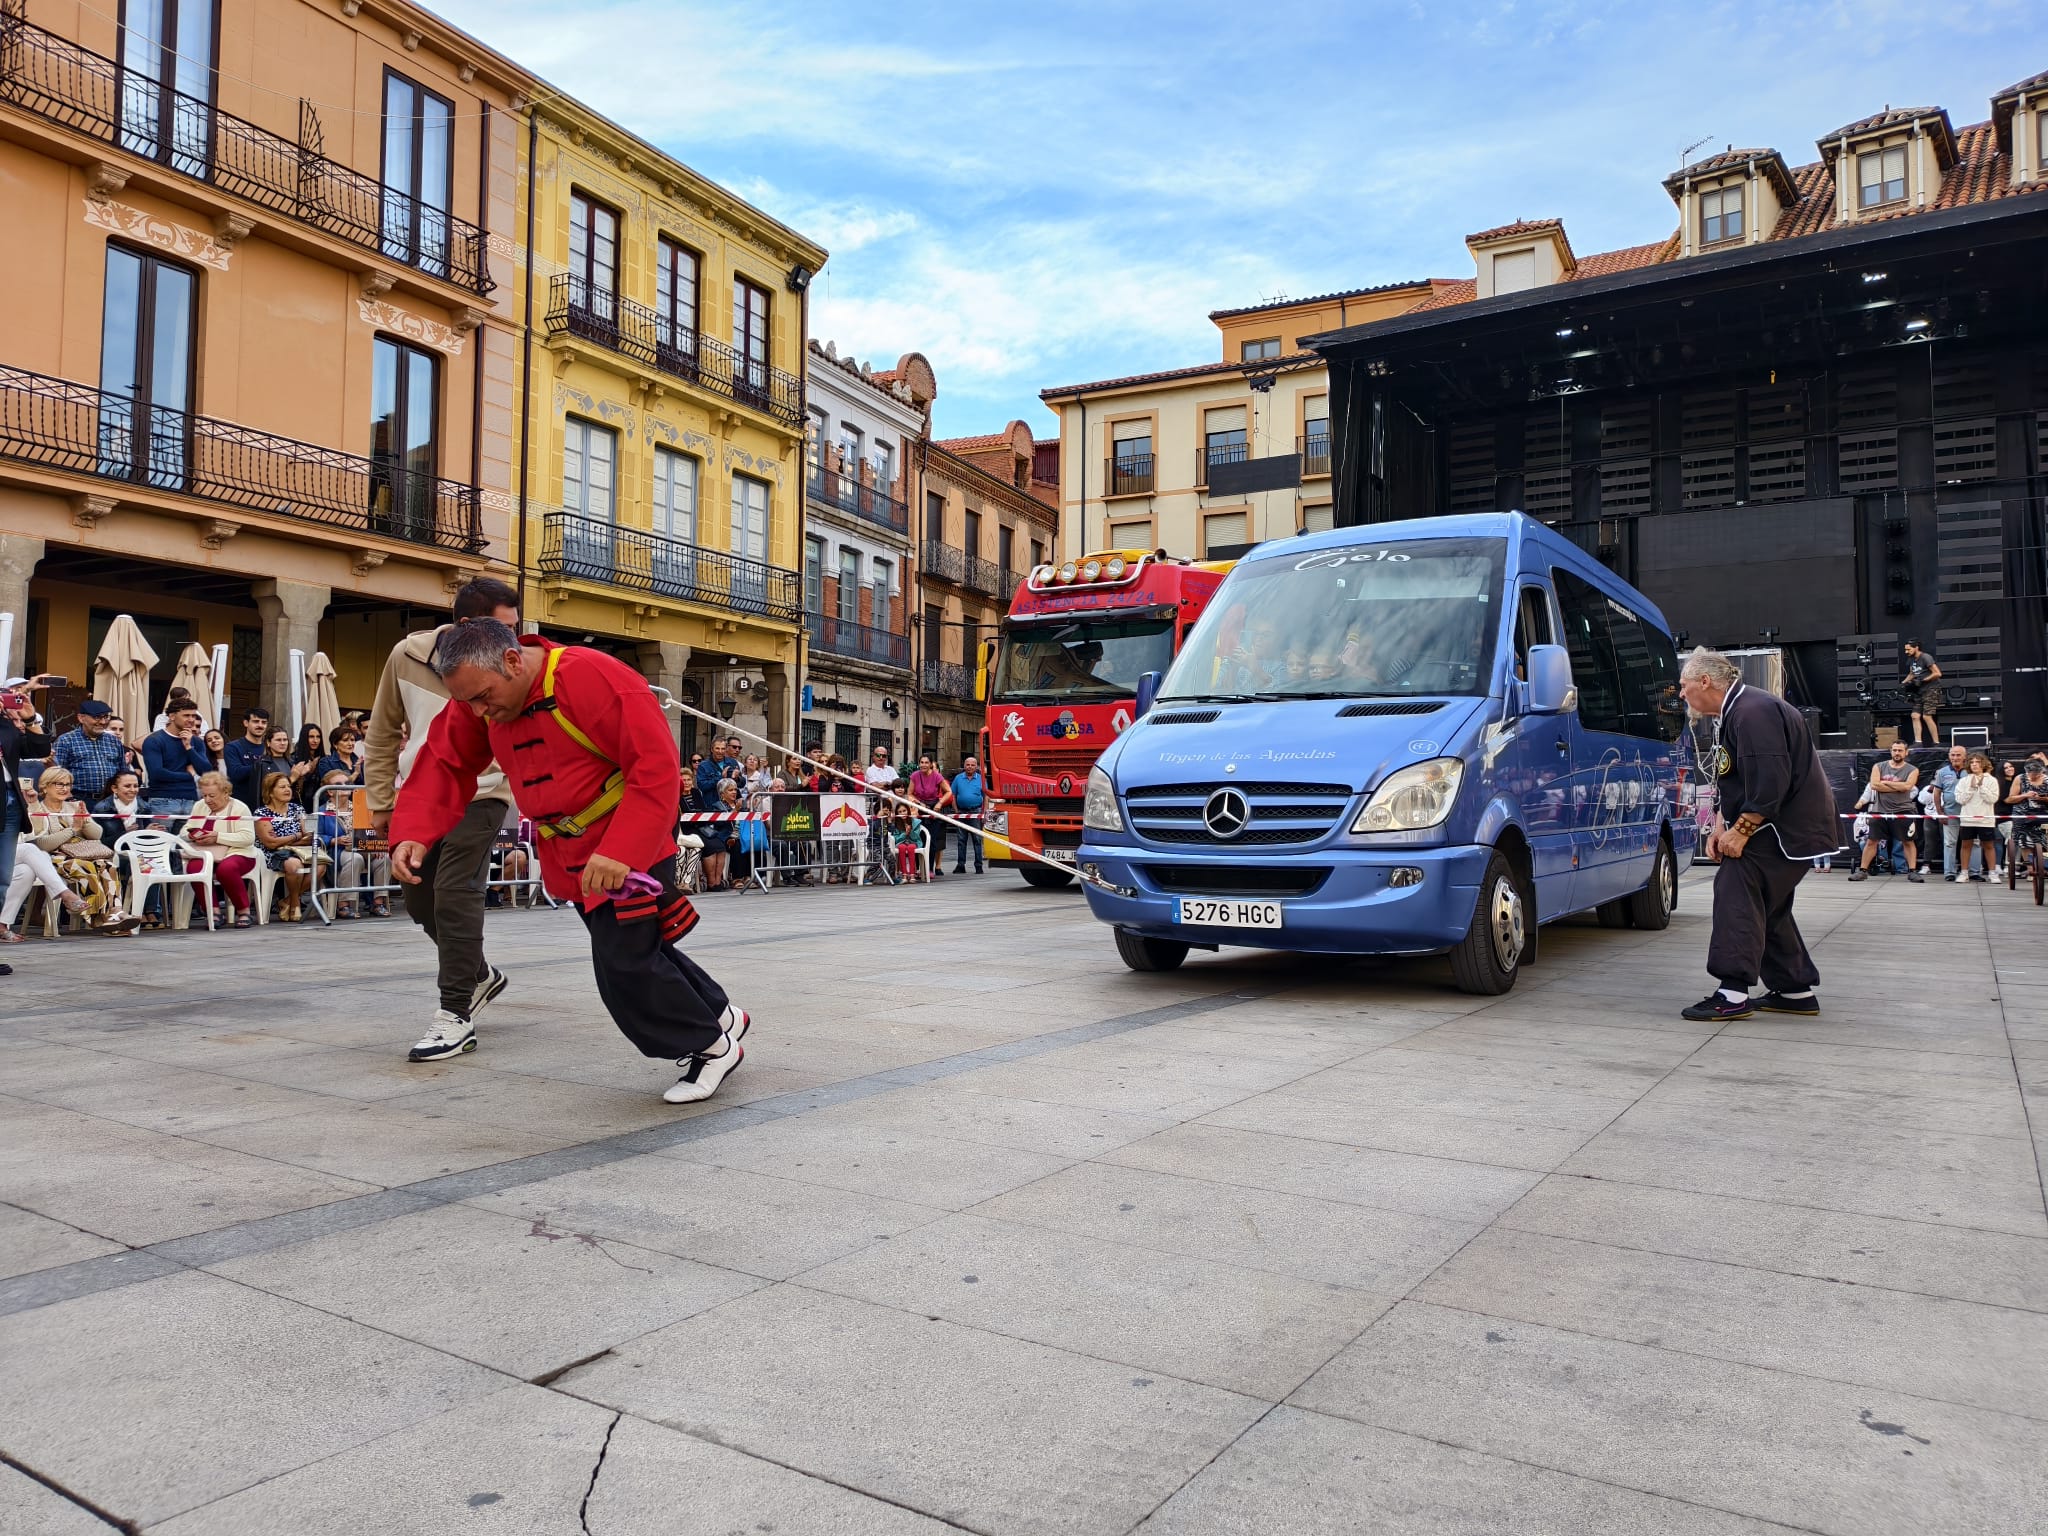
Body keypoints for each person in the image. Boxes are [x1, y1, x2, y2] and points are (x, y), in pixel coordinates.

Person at [390, 618, 749, 1104]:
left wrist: (621, 851)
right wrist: (413, 830)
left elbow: (655, 767)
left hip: (629, 840)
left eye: (482, 696)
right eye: (467, 702)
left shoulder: (593, 676)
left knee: (623, 963)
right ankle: (722, 1016)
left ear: (513, 661)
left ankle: (711, 1045)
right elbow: (443, 761)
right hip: (570, 852)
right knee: (637, 948)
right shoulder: (481, 700)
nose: (478, 710)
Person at [367, 579, 520, 1059]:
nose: (515, 637)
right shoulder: (407, 656)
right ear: (468, 625)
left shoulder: (510, 660)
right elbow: (382, 731)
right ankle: (478, 973)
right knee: (418, 900)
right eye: (506, 626)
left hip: (486, 790)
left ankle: (454, 1014)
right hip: (420, 796)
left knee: (456, 893)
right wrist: (381, 803)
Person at [1676, 648, 1837, 1021]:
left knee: (1735, 892)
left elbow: (1770, 781)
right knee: (1768, 906)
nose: (1681, 695)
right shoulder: (1740, 710)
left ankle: (1732, 992)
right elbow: (1734, 778)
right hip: (1780, 827)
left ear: (1705, 681)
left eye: (1684, 686)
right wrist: (1720, 823)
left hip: (1778, 828)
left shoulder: (1753, 711)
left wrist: (1742, 831)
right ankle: (1794, 989)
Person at [23, 766, 138, 933]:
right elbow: (42, 844)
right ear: (45, 786)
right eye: (59, 784)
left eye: (68, 784)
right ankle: (99, 919)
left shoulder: (74, 806)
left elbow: (97, 835)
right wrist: (74, 829)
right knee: (87, 867)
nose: (64, 788)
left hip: (83, 853)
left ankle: (115, 911)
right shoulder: (37, 809)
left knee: (107, 866)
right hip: (53, 858)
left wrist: (86, 820)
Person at [184, 770, 259, 928]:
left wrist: (217, 837)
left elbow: (248, 838)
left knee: (227, 869)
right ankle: (213, 912)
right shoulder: (199, 806)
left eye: (212, 796)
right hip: (207, 852)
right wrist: (192, 836)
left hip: (238, 852)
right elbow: (185, 829)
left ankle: (244, 911)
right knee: (194, 867)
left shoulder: (240, 808)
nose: (207, 800)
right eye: (204, 795)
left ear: (226, 793)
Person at [1849, 741, 1924, 883]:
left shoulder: (1912, 769)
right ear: (1891, 751)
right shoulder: (1879, 766)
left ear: (1906, 752)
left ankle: (1912, 871)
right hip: (1879, 810)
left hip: (1903, 810)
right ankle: (1863, 870)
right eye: (1894, 750)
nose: (1897, 753)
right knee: (1872, 841)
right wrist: (1898, 786)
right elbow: (1874, 785)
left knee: (1908, 841)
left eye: (1900, 750)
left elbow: (1908, 787)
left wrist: (1886, 783)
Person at [253, 770, 320, 920]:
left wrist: (286, 840)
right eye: (282, 787)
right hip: (274, 855)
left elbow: (311, 835)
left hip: (301, 851)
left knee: (321, 864)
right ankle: (296, 904)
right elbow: (271, 843)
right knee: (293, 864)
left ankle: (288, 901)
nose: (287, 790)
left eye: (288, 786)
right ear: (270, 792)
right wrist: (297, 836)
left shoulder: (299, 809)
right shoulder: (261, 813)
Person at [50, 700, 128, 805]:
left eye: (105, 717)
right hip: (79, 799)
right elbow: (56, 774)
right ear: (81, 718)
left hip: (111, 800)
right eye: (97, 717)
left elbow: (122, 771)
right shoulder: (66, 740)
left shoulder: (113, 741)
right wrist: (69, 799)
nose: (103, 722)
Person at [1953, 752, 2001, 883]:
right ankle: (1964, 873)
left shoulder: (1991, 780)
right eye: (1972, 762)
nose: (1974, 765)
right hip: (1967, 819)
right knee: (1966, 845)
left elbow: (1993, 799)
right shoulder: (1964, 780)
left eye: (1977, 762)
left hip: (1986, 819)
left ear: (1983, 764)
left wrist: (1981, 786)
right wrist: (1971, 788)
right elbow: (1960, 800)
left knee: (1988, 846)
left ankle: (1992, 873)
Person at [1931, 743, 1968, 881]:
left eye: (1958, 755)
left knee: (1973, 842)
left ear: (1965, 757)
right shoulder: (1942, 772)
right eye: (1952, 754)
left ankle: (1973, 871)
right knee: (1949, 843)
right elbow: (1936, 793)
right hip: (1949, 812)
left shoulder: (1971, 771)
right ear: (1949, 756)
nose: (1955, 757)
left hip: (1969, 813)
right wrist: (1940, 812)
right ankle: (1949, 873)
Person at [223, 708, 272, 807]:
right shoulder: (233, 747)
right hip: (241, 804)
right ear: (246, 723)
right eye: (255, 721)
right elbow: (236, 773)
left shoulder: (270, 747)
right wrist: (262, 764)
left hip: (267, 803)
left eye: (264, 722)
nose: (260, 725)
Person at [1900, 640, 1942, 746]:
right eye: (1905, 649)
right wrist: (1903, 684)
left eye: (1908, 649)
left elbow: (1937, 673)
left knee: (1927, 716)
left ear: (1916, 647)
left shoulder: (1925, 657)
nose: (1906, 652)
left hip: (1931, 689)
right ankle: (1918, 742)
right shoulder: (1912, 660)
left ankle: (1936, 743)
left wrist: (1923, 680)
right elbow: (1912, 673)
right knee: (1914, 715)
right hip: (1919, 691)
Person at [949, 755, 986, 874]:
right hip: (961, 812)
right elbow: (952, 794)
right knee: (961, 840)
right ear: (964, 766)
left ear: (976, 767)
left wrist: (983, 812)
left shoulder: (981, 779)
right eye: (967, 764)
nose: (969, 767)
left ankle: (979, 865)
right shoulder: (958, 778)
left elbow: (986, 796)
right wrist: (956, 810)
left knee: (977, 840)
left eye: (972, 765)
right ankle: (960, 865)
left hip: (976, 812)